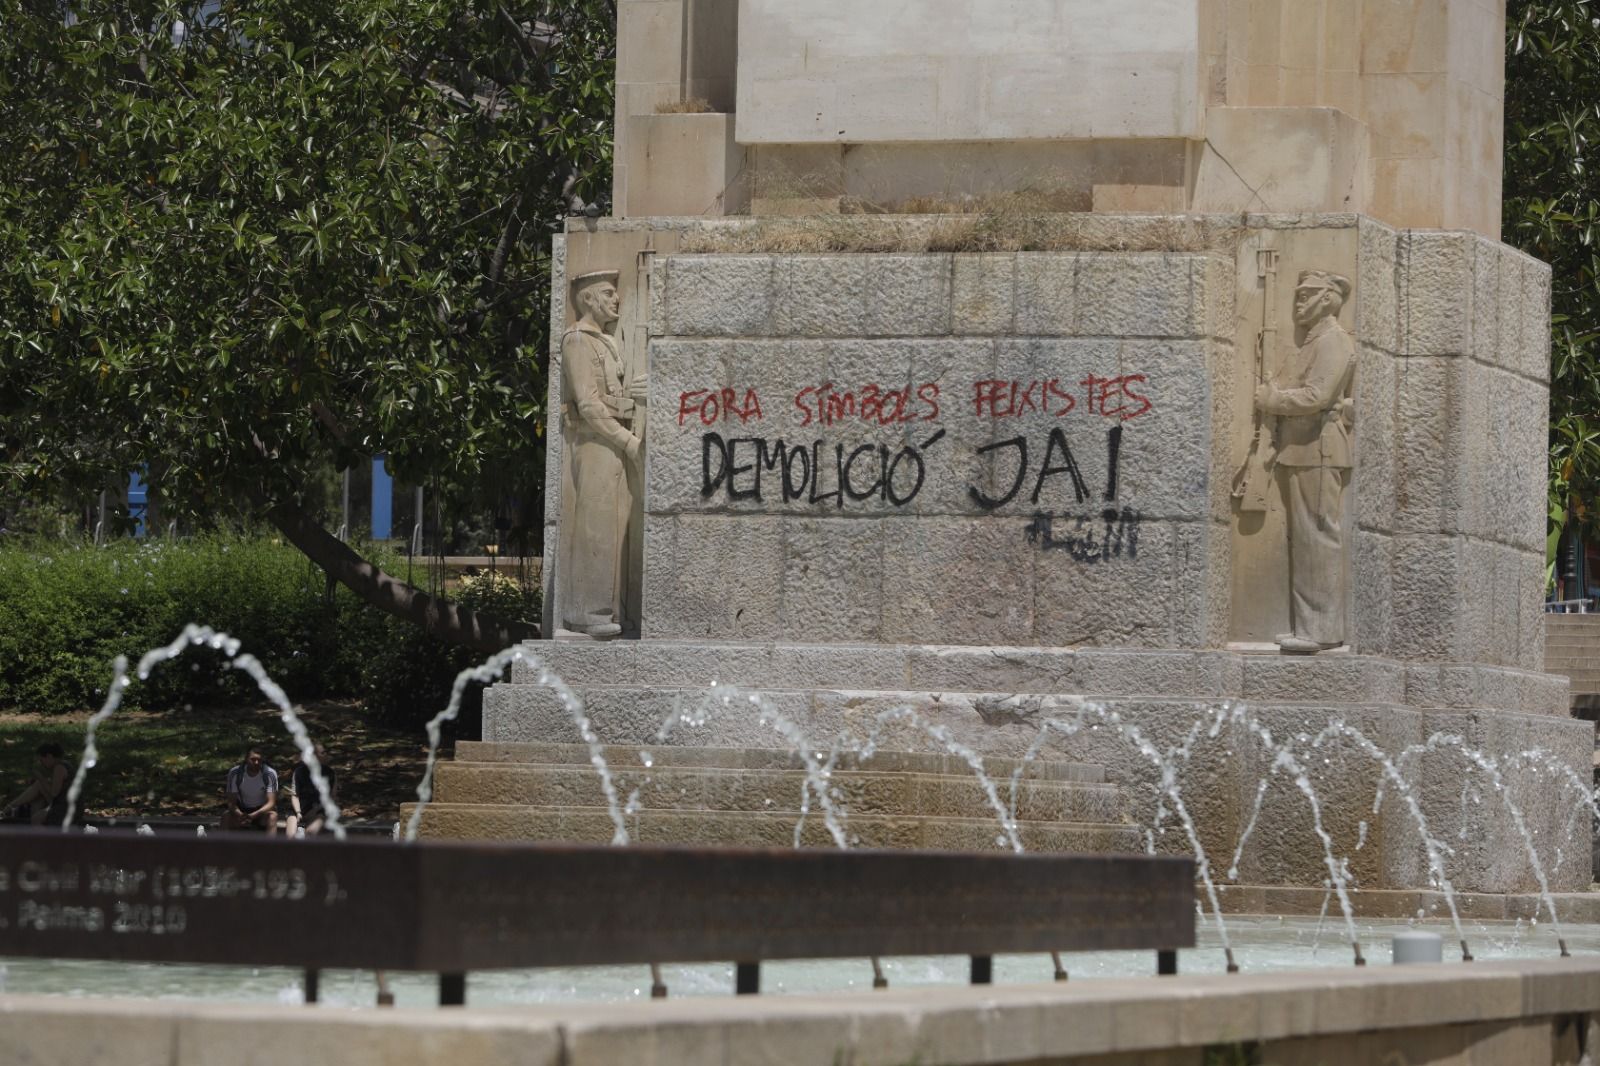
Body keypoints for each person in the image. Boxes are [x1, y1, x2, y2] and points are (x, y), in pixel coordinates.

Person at [1254, 269, 1356, 654]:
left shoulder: (1333, 341)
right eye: (1297, 295)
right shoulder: (1316, 340)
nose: (1299, 301)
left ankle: (1321, 629)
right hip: (1302, 450)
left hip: (1320, 449)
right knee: (1304, 538)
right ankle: (1309, 624)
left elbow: (1316, 395)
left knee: (1317, 537)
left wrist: (1273, 400)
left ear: (1329, 298)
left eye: (1308, 294)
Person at [559, 268, 646, 638]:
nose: (616, 299)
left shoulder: (604, 340)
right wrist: (628, 442)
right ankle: (586, 613)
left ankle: (604, 610)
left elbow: (611, 392)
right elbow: (589, 406)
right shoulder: (577, 339)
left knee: (611, 524)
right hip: (597, 442)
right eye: (608, 293)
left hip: (612, 439)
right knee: (596, 524)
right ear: (589, 298)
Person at [3, 742, 71, 826]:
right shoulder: (62, 765)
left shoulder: (59, 768)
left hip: (65, 807)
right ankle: (9, 809)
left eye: (41, 760)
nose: (41, 763)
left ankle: (8, 808)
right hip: (61, 804)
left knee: (39, 785)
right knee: (38, 797)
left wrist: (41, 778)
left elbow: (54, 793)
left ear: (49, 756)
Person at [223, 745, 279, 832]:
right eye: (253, 759)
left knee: (273, 816)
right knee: (226, 816)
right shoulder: (235, 773)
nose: (256, 762)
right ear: (246, 759)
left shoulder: (270, 774)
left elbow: (271, 802)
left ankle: (270, 845)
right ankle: (223, 844)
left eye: (259, 760)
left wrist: (253, 815)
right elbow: (231, 802)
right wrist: (241, 815)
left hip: (261, 810)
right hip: (241, 809)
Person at [285, 744, 336, 837]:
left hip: (319, 811)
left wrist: (316, 811)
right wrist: (298, 812)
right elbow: (294, 795)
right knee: (291, 836)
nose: (326, 754)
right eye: (323, 753)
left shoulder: (330, 773)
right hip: (299, 809)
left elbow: (331, 798)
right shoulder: (299, 772)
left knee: (310, 833)